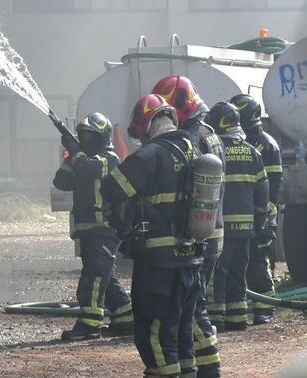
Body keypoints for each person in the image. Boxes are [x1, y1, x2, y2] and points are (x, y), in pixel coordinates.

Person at [101, 95, 202, 378]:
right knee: (181, 329)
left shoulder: (149, 155)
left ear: (146, 123)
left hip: (158, 261)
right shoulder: (193, 150)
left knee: (154, 328)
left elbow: (111, 188)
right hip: (191, 259)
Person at [153, 75, 223, 377]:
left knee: (193, 308)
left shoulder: (192, 138)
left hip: (199, 234)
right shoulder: (209, 133)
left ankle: (209, 370)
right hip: (212, 228)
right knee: (193, 304)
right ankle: (195, 367)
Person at [53, 113, 133, 341]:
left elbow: (89, 168)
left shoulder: (109, 159)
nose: (85, 140)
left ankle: (89, 325)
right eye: (82, 136)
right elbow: (61, 181)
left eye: (90, 137)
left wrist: (76, 152)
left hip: (104, 228)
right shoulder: (83, 160)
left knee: (94, 277)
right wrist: (72, 155)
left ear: (102, 138)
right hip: (89, 229)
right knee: (105, 276)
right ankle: (126, 318)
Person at [205, 102, 269, 332]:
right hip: (246, 227)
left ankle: (217, 317)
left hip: (222, 227)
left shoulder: (214, 151)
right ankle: (238, 317)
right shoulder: (252, 151)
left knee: (219, 272)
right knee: (238, 272)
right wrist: (260, 219)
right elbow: (263, 189)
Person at [230, 94, 282, 325]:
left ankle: (265, 307)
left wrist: (265, 216)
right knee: (236, 262)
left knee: (259, 261)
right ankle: (237, 307)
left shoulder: (268, 146)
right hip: (240, 212)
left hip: (262, 214)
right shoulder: (236, 143)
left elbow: (273, 186)